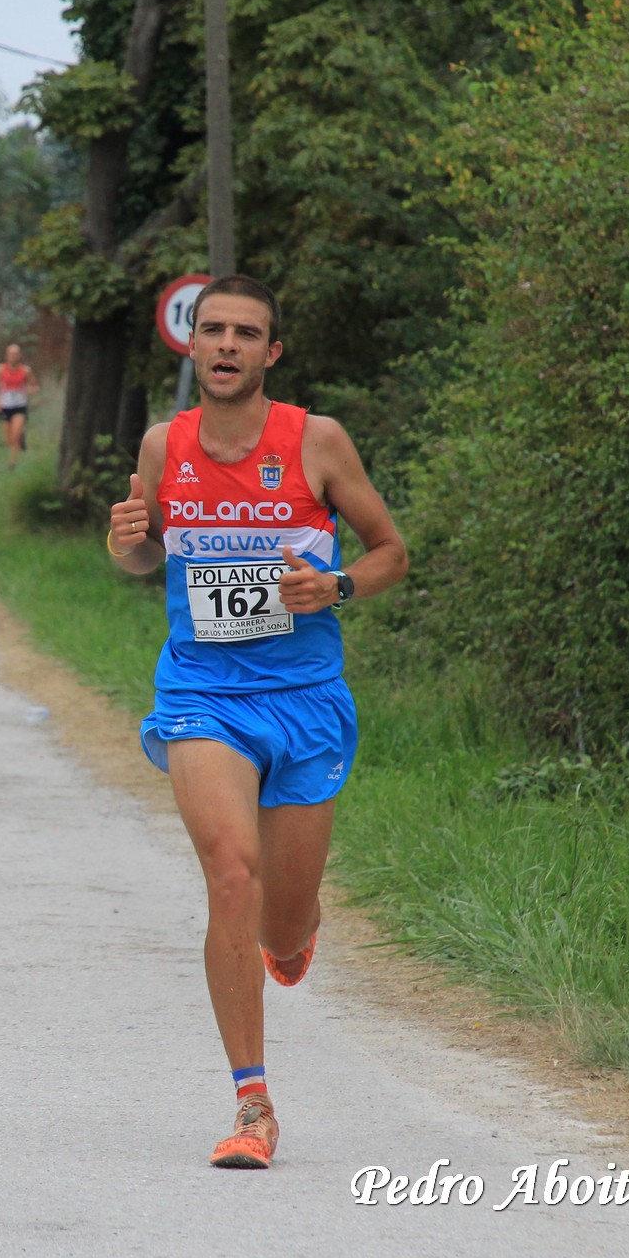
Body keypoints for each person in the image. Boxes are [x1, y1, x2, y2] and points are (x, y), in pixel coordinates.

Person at [104, 275, 407, 1169]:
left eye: (247, 333)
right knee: (229, 874)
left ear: (271, 352)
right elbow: (141, 554)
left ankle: (292, 933)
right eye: (214, 330)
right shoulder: (166, 444)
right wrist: (128, 540)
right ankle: (253, 1101)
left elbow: (392, 551)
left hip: (305, 698)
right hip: (202, 692)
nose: (228, 344)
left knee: (280, 918)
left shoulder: (316, 441)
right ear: (191, 346)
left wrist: (339, 584)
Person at [0, 343, 40, 465]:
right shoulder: (0, 369)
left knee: (15, 436)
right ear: (6, 356)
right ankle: (21, 438)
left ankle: (12, 463)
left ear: (19, 356)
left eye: (15, 354)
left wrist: (31, 390)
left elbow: (35, 385)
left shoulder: (26, 370)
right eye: (11, 354)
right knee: (8, 439)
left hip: (20, 406)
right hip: (4, 406)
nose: (13, 356)